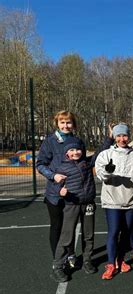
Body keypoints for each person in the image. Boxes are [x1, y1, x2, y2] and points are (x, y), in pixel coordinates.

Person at [95, 123, 133, 280]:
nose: (122, 139)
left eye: (124, 135)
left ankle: (121, 259)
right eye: (118, 136)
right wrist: (108, 172)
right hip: (112, 200)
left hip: (131, 200)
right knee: (114, 231)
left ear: (128, 136)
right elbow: (101, 175)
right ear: (114, 137)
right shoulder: (105, 154)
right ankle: (111, 263)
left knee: (126, 231)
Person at [37, 110, 85, 269]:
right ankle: (58, 258)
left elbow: (83, 164)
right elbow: (40, 164)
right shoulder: (49, 141)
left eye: (69, 122)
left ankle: (70, 253)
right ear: (57, 124)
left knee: (70, 227)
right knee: (57, 226)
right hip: (55, 193)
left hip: (73, 192)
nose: (66, 125)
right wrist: (53, 176)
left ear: (73, 124)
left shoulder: (78, 141)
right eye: (62, 122)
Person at [50, 137, 98, 282]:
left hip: (88, 203)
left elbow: (99, 153)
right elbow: (55, 185)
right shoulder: (62, 168)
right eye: (71, 150)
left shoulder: (87, 163)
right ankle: (58, 266)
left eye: (77, 149)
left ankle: (87, 260)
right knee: (67, 236)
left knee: (88, 235)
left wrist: (109, 138)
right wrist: (60, 191)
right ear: (66, 153)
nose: (75, 152)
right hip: (71, 205)